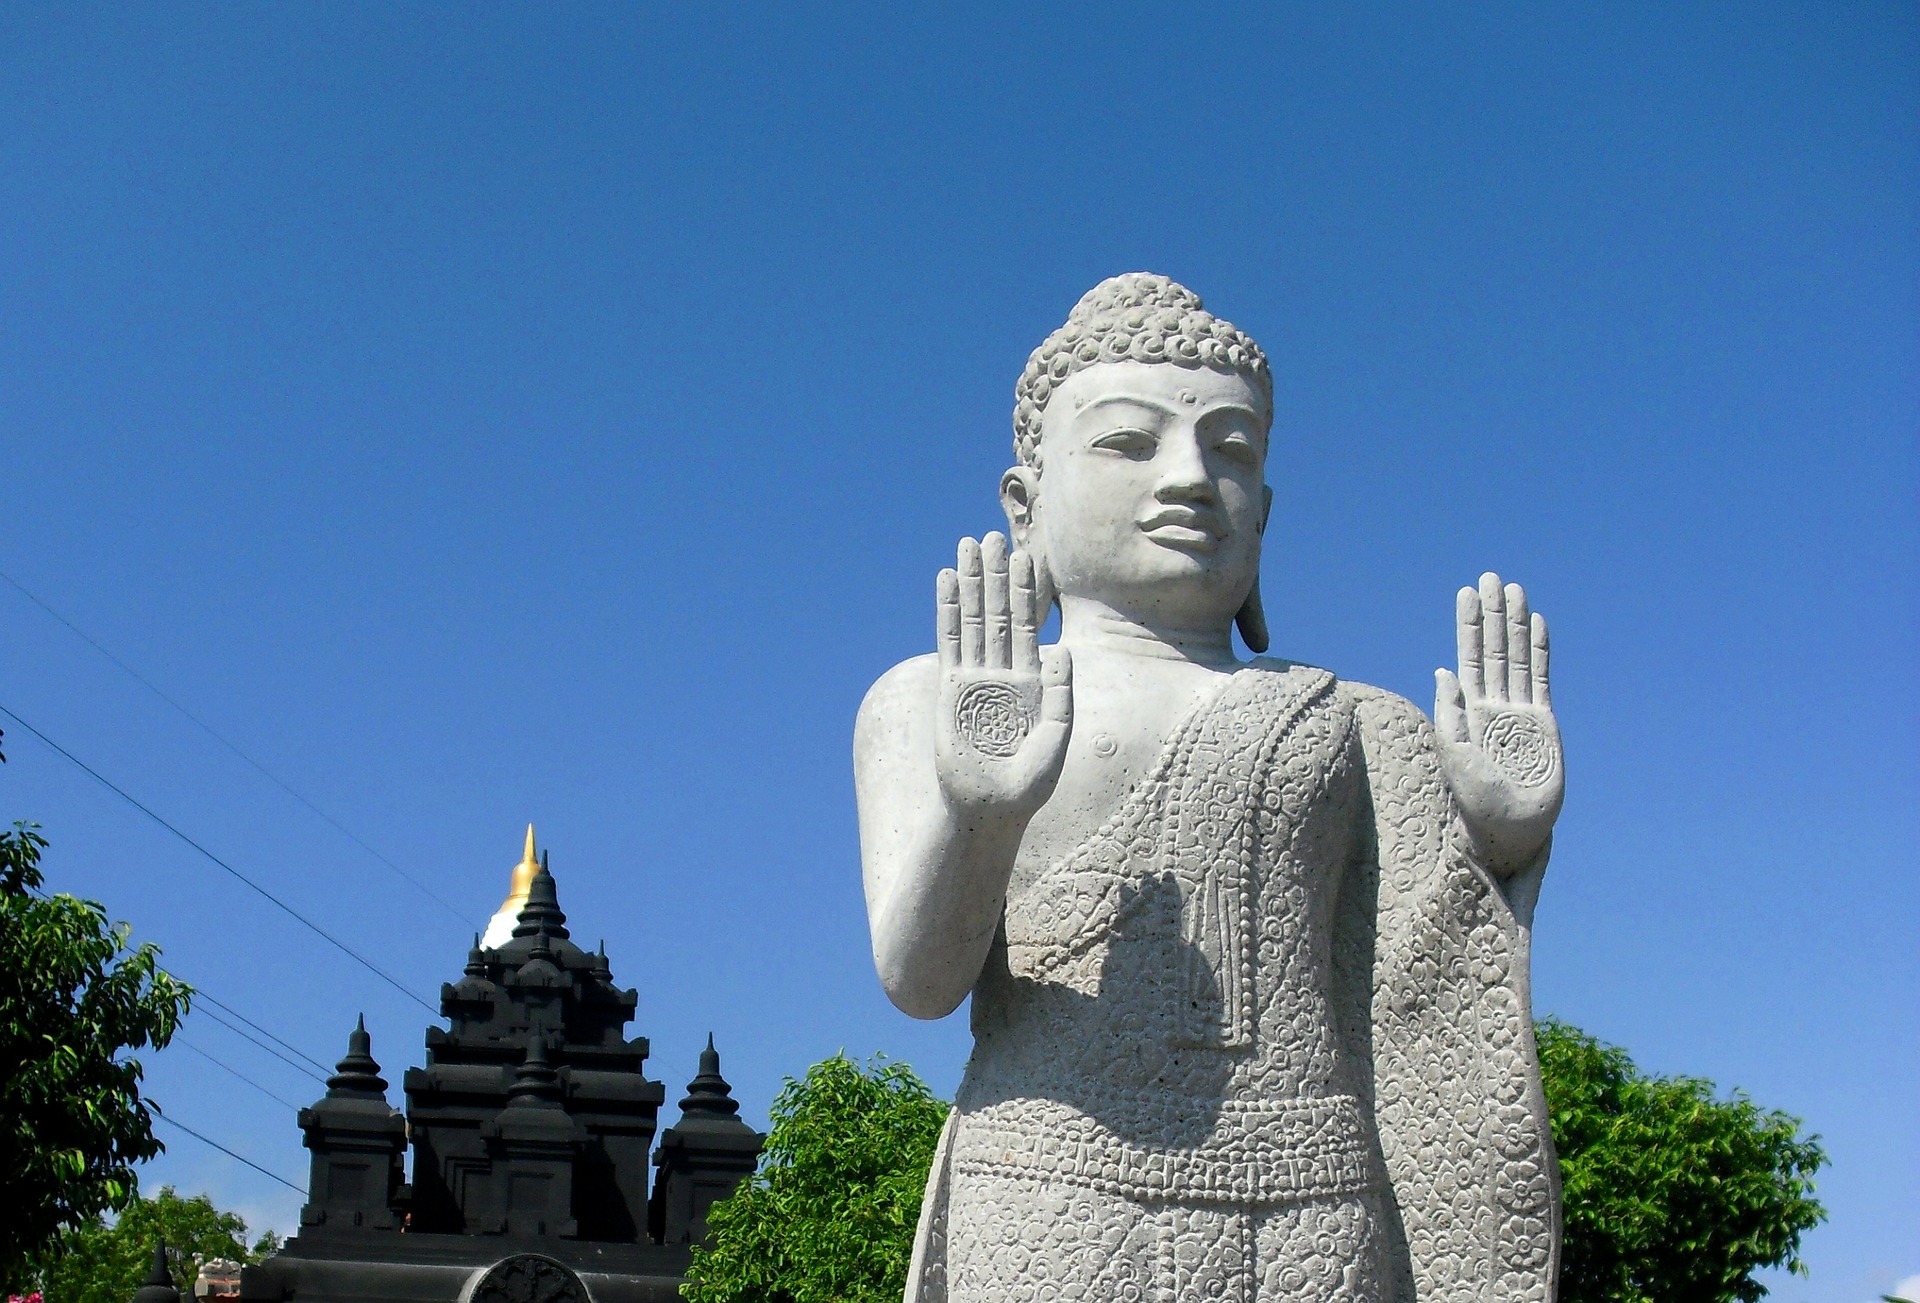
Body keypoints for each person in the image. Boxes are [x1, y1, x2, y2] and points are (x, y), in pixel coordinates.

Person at [855, 274, 1565, 1302]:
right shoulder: (934, 699)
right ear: (1027, 498)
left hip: (1314, 1207)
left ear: (1264, 509)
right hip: (1051, 1189)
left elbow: (1428, 979)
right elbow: (920, 983)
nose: (1189, 477)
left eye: (1230, 449)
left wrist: (1499, 842)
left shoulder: (1359, 721)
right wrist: (982, 815)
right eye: (1127, 442)